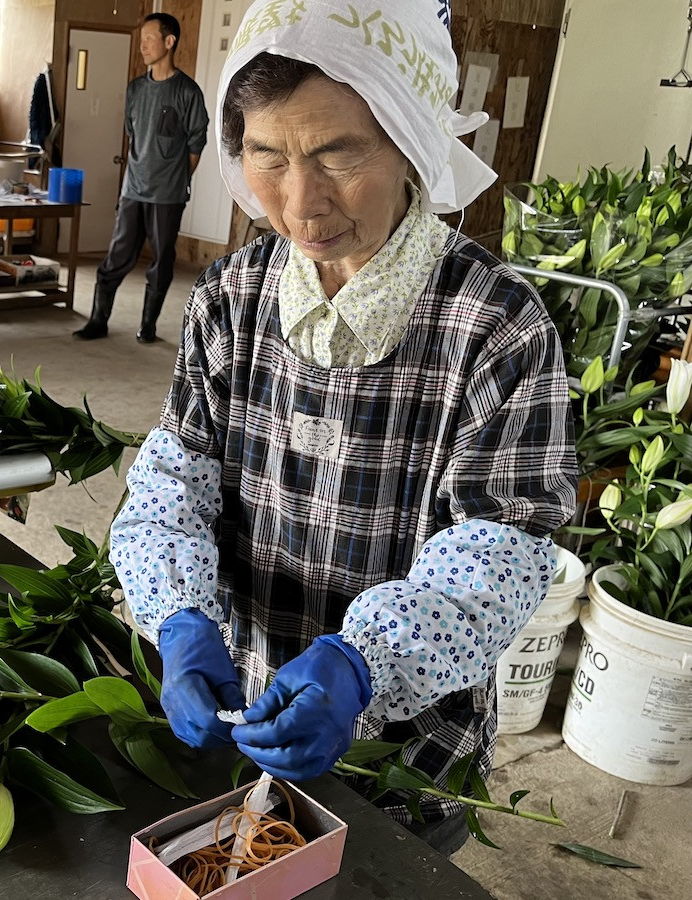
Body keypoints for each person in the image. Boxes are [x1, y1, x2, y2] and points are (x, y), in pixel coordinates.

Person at [109, 0, 576, 857]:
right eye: (266, 156)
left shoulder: (496, 326)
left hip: (410, 743)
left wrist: (363, 663)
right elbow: (170, 486)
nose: (301, 204)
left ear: (410, 142)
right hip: (247, 706)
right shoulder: (230, 301)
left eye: (337, 155)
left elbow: (500, 549)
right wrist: (177, 617)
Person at [73, 12, 208, 344]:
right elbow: (134, 135)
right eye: (143, 39)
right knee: (118, 255)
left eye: (150, 39)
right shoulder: (135, 89)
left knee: (162, 261)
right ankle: (98, 321)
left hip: (169, 195)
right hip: (133, 189)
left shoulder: (188, 92)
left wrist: (173, 180)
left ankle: (148, 326)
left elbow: (195, 145)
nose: (143, 46)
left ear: (169, 41)